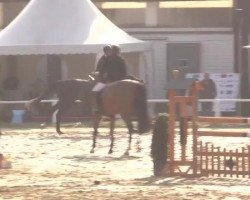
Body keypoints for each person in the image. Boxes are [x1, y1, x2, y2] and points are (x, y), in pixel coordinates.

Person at [92, 44, 128, 113]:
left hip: (109, 80)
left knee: (96, 90)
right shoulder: (121, 60)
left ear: (112, 51)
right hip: (120, 81)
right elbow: (124, 72)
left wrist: (100, 74)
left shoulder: (107, 59)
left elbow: (102, 70)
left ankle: (99, 108)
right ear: (118, 51)